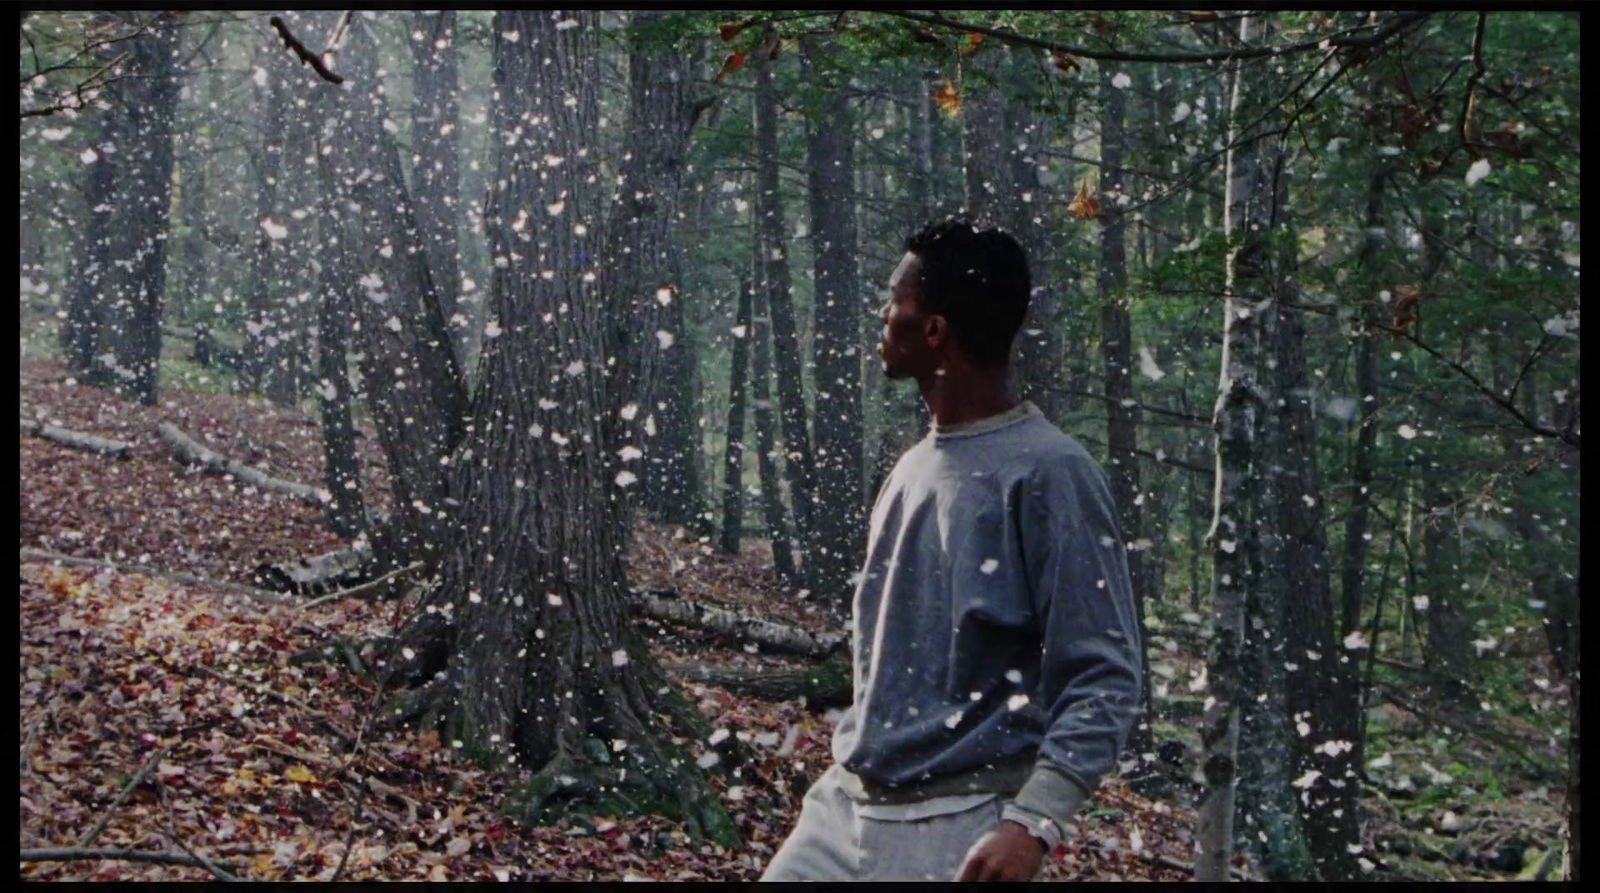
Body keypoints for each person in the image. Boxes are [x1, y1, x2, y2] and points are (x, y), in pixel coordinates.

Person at [760, 217, 1143, 882]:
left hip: (957, 821)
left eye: (895, 299)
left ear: (935, 329)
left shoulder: (1052, 472)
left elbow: (1105, 674)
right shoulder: (912, 465)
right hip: (843, 806)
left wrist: (1032, 821)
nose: (884, 313)